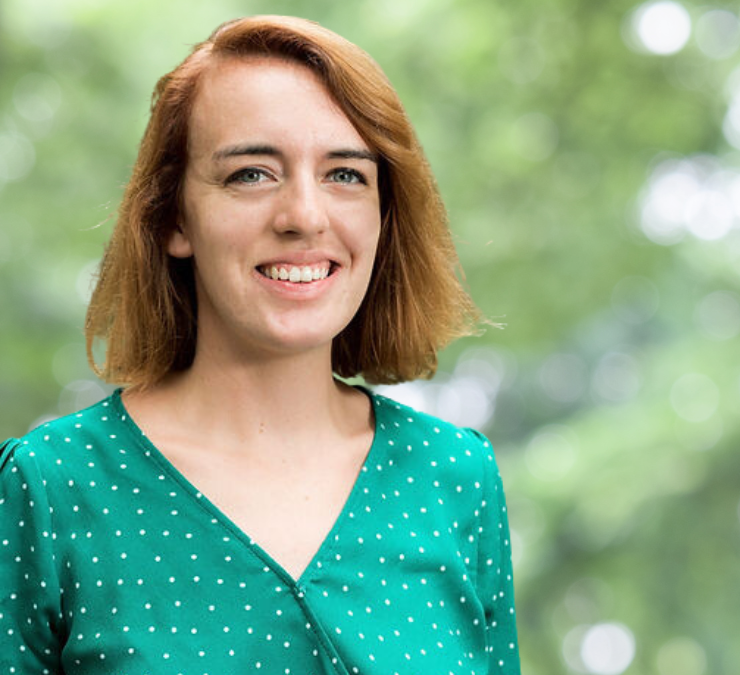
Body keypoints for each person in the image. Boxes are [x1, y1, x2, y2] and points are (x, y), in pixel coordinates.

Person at [0, 15, 520, 674]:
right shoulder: (51, 487)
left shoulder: (456, 478)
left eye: (346, 175)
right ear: (174, 218)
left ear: (384, 217)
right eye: (252, 174)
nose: (304, 215)